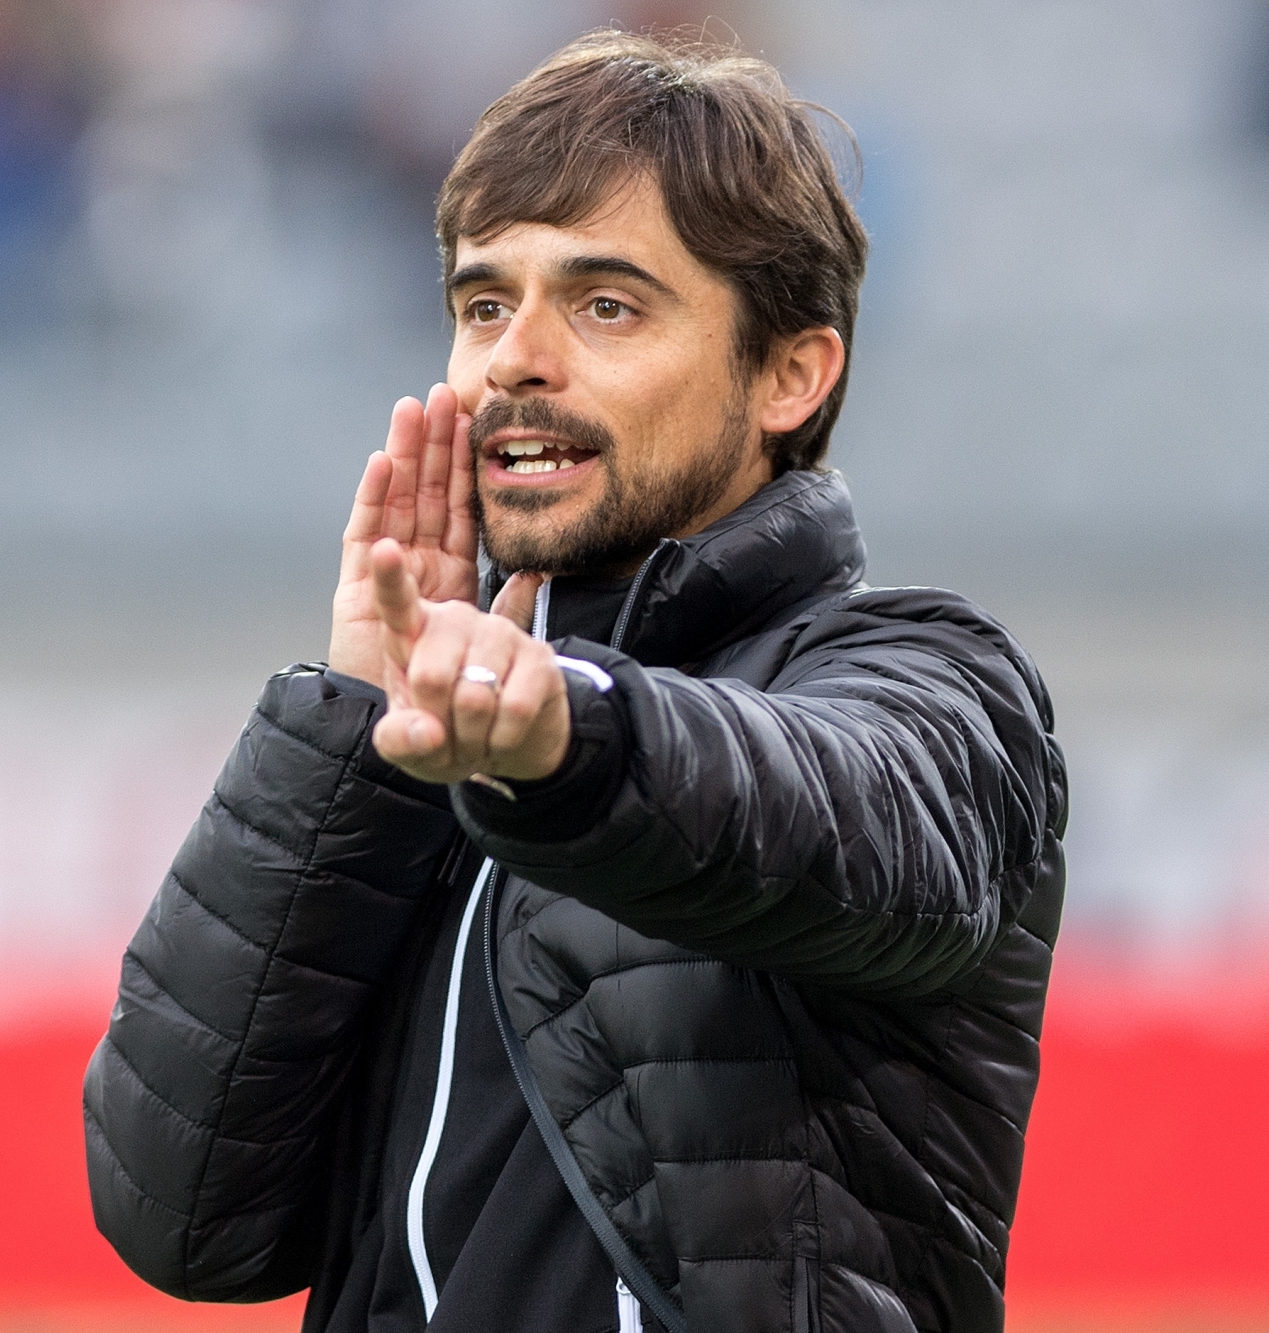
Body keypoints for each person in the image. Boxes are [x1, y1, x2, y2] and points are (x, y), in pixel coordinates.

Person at [84, 29, 1065, 1333]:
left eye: (605, 303)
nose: (514, 360)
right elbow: (180, 1214)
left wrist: (572, 735)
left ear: (791, 373)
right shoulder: (419, 742)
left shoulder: (934, 676)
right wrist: (347, 735)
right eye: (484, 304)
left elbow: (842, 813)